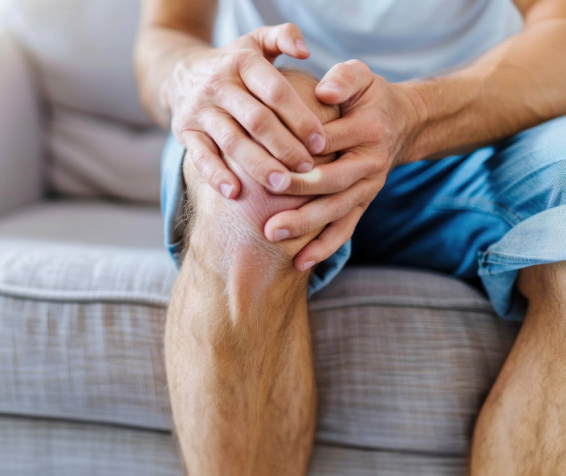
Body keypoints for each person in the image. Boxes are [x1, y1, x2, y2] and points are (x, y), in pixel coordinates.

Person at [133, 0, 566, 474]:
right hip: (281, 139)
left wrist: (416, 113)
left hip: (466, 134)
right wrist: (189, 75)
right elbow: (168, 31)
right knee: (262, 173)